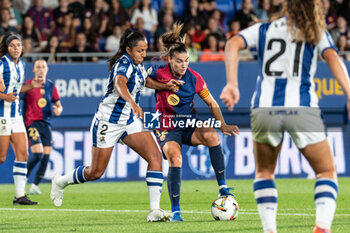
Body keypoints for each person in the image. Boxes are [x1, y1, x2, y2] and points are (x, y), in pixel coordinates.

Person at [221, 0, 350, 232]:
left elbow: (232, 43)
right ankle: (322, 226)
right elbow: (333, 58)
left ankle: (270, 230)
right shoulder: (314, 31)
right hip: (302, 108)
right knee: (326, 171)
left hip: (264, 109)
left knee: (264, 172)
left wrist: (232, 83)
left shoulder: (264, 29)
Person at [50, 29, 182, 222]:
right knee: (96, 172)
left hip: (128, 122)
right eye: (139, 51)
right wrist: (132, 102)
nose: (143, 54)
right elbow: (120, 83)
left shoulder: (137, 65)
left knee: (155, 156)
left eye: (145, 50)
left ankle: (154, 210)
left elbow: (144, 80)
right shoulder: (123, 64)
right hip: (108, 122)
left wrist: (165, 86)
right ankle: (60, 182)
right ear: (128, 49)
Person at [147, 23, 239, 222]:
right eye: (179, 61)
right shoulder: (159, 72)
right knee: (175, 158)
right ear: (170, 60)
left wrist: (222, 124)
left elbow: (211, 102)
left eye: (186, 60)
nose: (184, 65)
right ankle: (176, 211)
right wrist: (163, 86)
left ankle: (223, 188)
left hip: (189, 124)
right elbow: (143, 81)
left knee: (212, 135)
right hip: (166, 125)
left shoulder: (195, 78)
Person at [0, 33, 43, 205]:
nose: (16, 48)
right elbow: (6, 94)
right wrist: (4, 97)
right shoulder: (1, 64)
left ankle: (19, 196)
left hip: (16, 115)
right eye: (12, 45)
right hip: (2, 115)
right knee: (1, 157)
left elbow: (17, 91)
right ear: (7, 47)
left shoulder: (22, 65)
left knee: (23, 154)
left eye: (18, 45)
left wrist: (30, 86)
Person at [21, 59, 63, 195]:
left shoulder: (51, 86)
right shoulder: (28, 85)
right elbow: (16, 98)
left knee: (45, 156)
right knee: (38, 154)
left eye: (43, 67)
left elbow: (58, 104)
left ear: (47, 69)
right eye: (38, 67)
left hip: (46, 124)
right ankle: (21, 180)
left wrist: (58, 109)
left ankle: (34, 186)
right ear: (33, 70)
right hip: (31, 123)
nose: (40, 69)